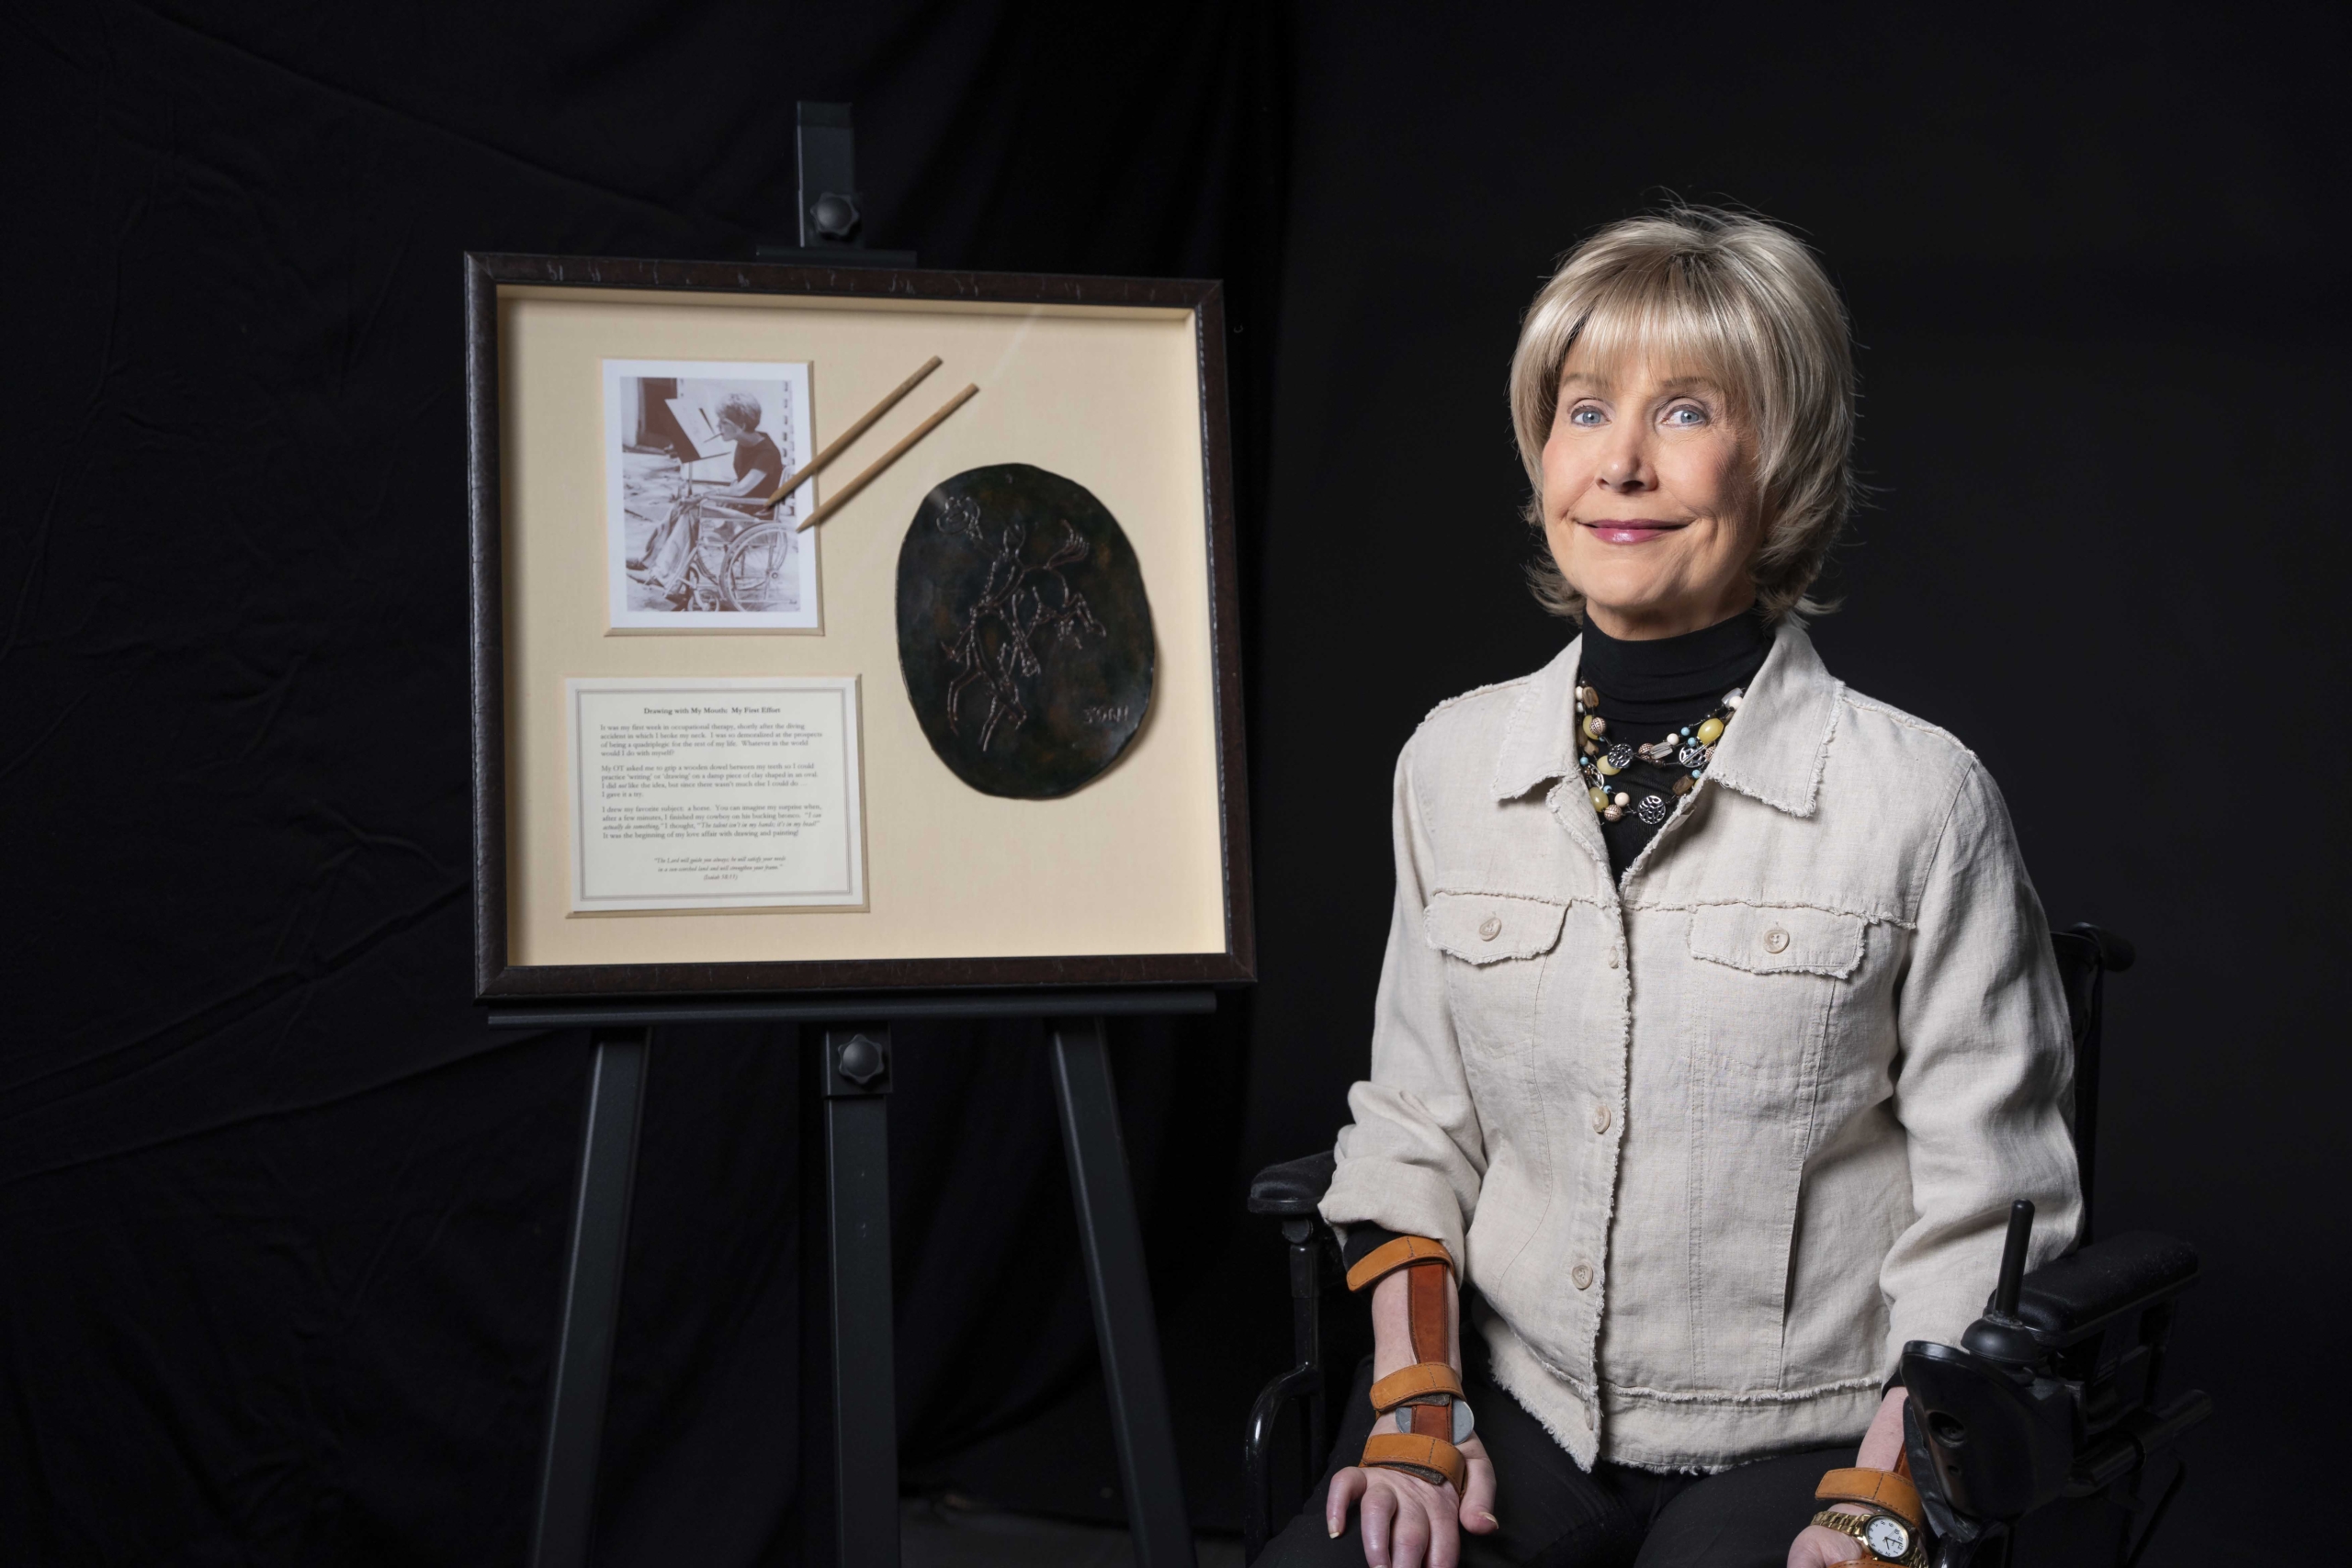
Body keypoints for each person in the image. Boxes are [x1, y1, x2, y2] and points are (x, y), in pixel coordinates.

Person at [1259, 208, 2078, 1568]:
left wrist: (1885, 1495)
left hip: (1810, 1434)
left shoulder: (1920, 797)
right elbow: (1414, 1123)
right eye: (1585, 411)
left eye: (1685, 411)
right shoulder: (1452, 762)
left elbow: (1991, 1207)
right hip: (1508, 1408)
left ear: (1783, 461)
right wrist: (1414, 1405)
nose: (1622, 463)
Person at [628, 392, 786, 605]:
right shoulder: (745, 444)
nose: (718, 425)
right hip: (741, 510)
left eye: (724, 422)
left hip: (754, 520)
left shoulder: (766, 452)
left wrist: (704, 497)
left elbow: (742, 490)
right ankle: (649, 561)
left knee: (694, 511)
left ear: (741, 424)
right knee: (681, 505)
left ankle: (662, 575)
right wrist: (706, 497)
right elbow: (739, 485)